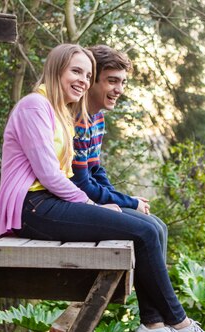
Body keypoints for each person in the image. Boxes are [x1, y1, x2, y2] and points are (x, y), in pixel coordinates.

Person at [0, 44, 205, 332]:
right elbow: (49, 174)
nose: (83, 80)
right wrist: (93, 205)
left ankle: (154, 325)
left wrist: (101, 205)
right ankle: (177, 323)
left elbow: (81, 170)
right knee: (142, 232)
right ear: (56, 69)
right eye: (76, 71)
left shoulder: (58, 109)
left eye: (87, 75)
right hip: (31, 207)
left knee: (149, 227)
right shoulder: (35, 105)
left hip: (47, 203)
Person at [71, 45, 168, 261]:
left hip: (90, 199)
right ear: (91, 81)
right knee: (150, 229)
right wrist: (128, 202)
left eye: (123, 82)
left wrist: (119, 199)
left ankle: (148, 293)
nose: (120, 89)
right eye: (112, 81)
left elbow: (95, 170)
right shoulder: (78, 120)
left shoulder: (96, 118)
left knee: (159, 226)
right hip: (74, 206)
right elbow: (82, 184)